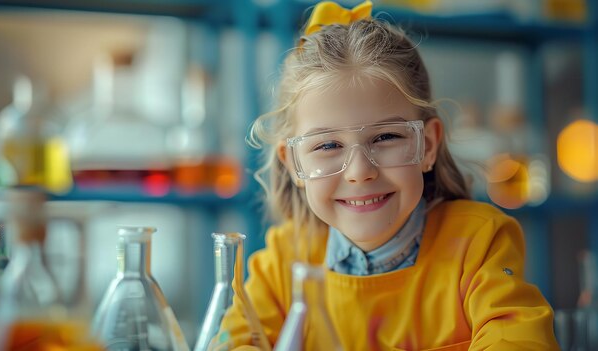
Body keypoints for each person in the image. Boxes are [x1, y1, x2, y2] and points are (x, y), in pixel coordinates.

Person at [220, 1, 559, 350]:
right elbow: (234, 342)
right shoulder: (284, 259)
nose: (360, 172)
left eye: (385, 138)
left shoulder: (477, 242)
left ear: (427, 145)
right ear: (293, 164)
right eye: (327, 146)